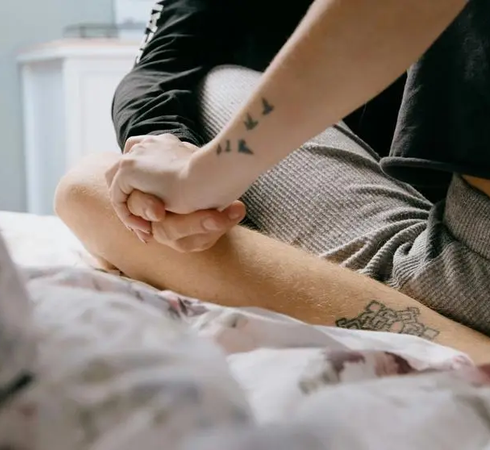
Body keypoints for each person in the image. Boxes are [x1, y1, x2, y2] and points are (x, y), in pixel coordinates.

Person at [55, 0, 490, 360]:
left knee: (89, 189)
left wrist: (204, 174)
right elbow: (163, 64)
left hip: (467, 275)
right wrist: (171, 143)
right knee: (94, 188)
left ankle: (463, 347)